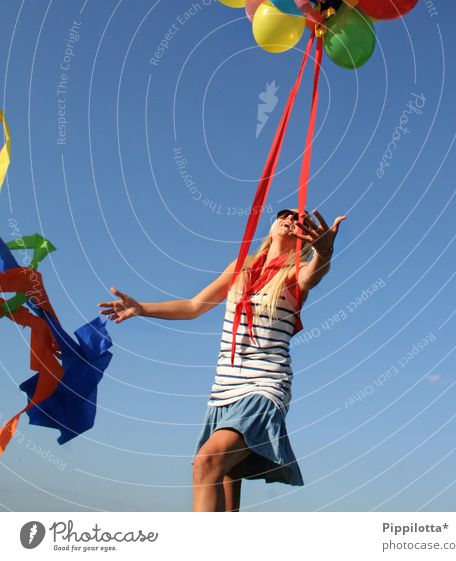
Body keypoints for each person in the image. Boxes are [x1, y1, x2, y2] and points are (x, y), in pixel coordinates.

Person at [98, 207, 346, 511]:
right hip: (224, 391)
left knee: (206, 463)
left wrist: (325, 253)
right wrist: (142, 308)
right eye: (285, 213)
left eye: (300, 219)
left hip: (263, 387)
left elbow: (313, 275)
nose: (291, 219)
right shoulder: (241, 268)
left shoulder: (293, 272)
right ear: (271, 223)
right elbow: (193, 307)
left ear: (304, 236)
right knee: (226, 495)